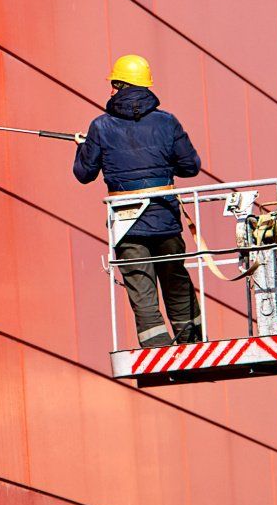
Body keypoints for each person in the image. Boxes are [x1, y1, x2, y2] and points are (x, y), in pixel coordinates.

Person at [73, 54, 205, 347]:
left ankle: (156, 348)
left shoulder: (100, 127)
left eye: (112, 84)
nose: (109, 90)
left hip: (127, 222)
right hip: (166, 219)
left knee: (140, 284)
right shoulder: (167, 122)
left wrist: (83, 148)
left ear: (120, 85)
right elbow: (190, 167)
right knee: (175, 278)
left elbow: (84, 174)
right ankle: (191, 340)